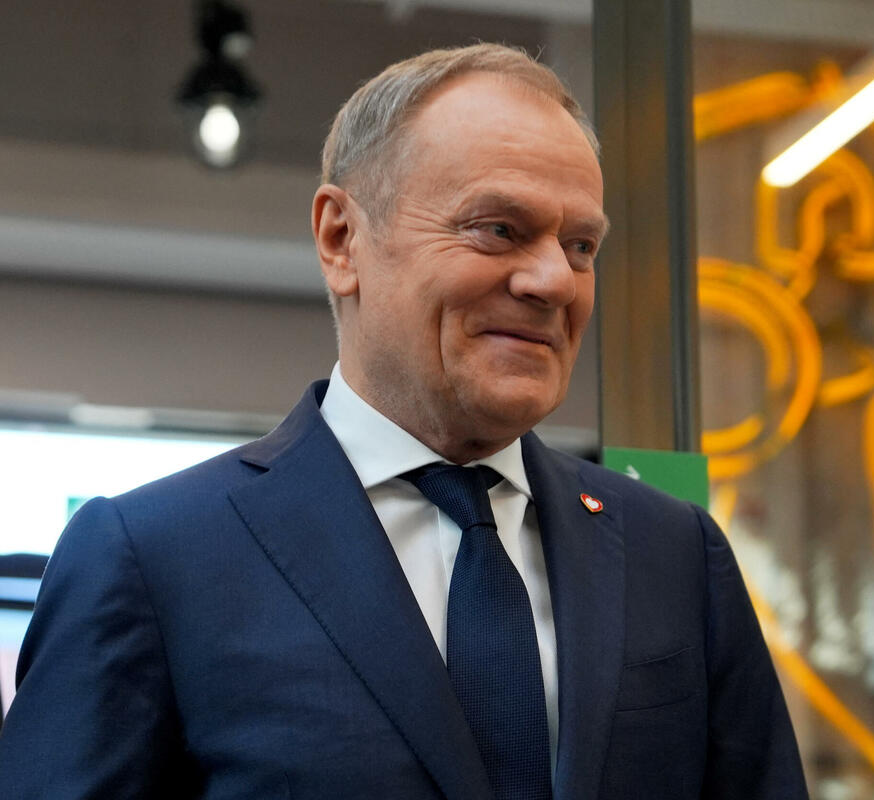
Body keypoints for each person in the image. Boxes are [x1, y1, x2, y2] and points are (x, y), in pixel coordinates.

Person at [0, 44, 807, 799]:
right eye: (499, 229)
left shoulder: (674, 553)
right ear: (342, 239)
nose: (555, 281)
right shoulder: (155, 558)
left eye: (581, 246)